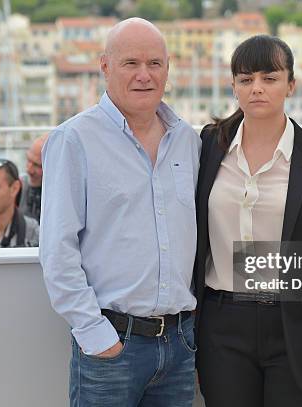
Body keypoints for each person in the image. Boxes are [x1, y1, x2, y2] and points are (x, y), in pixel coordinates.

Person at [40, 18, 200, 407]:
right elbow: (57, 249)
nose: (144, 75)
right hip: (111, 344)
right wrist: (94, 332)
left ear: (168, 68)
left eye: (155, 63)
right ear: (105, 66)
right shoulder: (73, 140)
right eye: (130, 63)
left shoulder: (189, 140)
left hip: (181, 346)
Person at [194, 35, 302, 407]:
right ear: (233, 86)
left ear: (291, 85)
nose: (257, 89)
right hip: (221, 324)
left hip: (296, 324)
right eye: (246, 80)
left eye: (270, 78)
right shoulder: (207, 145)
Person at [18, 135, 48, 222]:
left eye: (37, 165)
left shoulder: (65, 197)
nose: (29, 170)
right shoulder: (18, 186)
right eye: (28, 160)